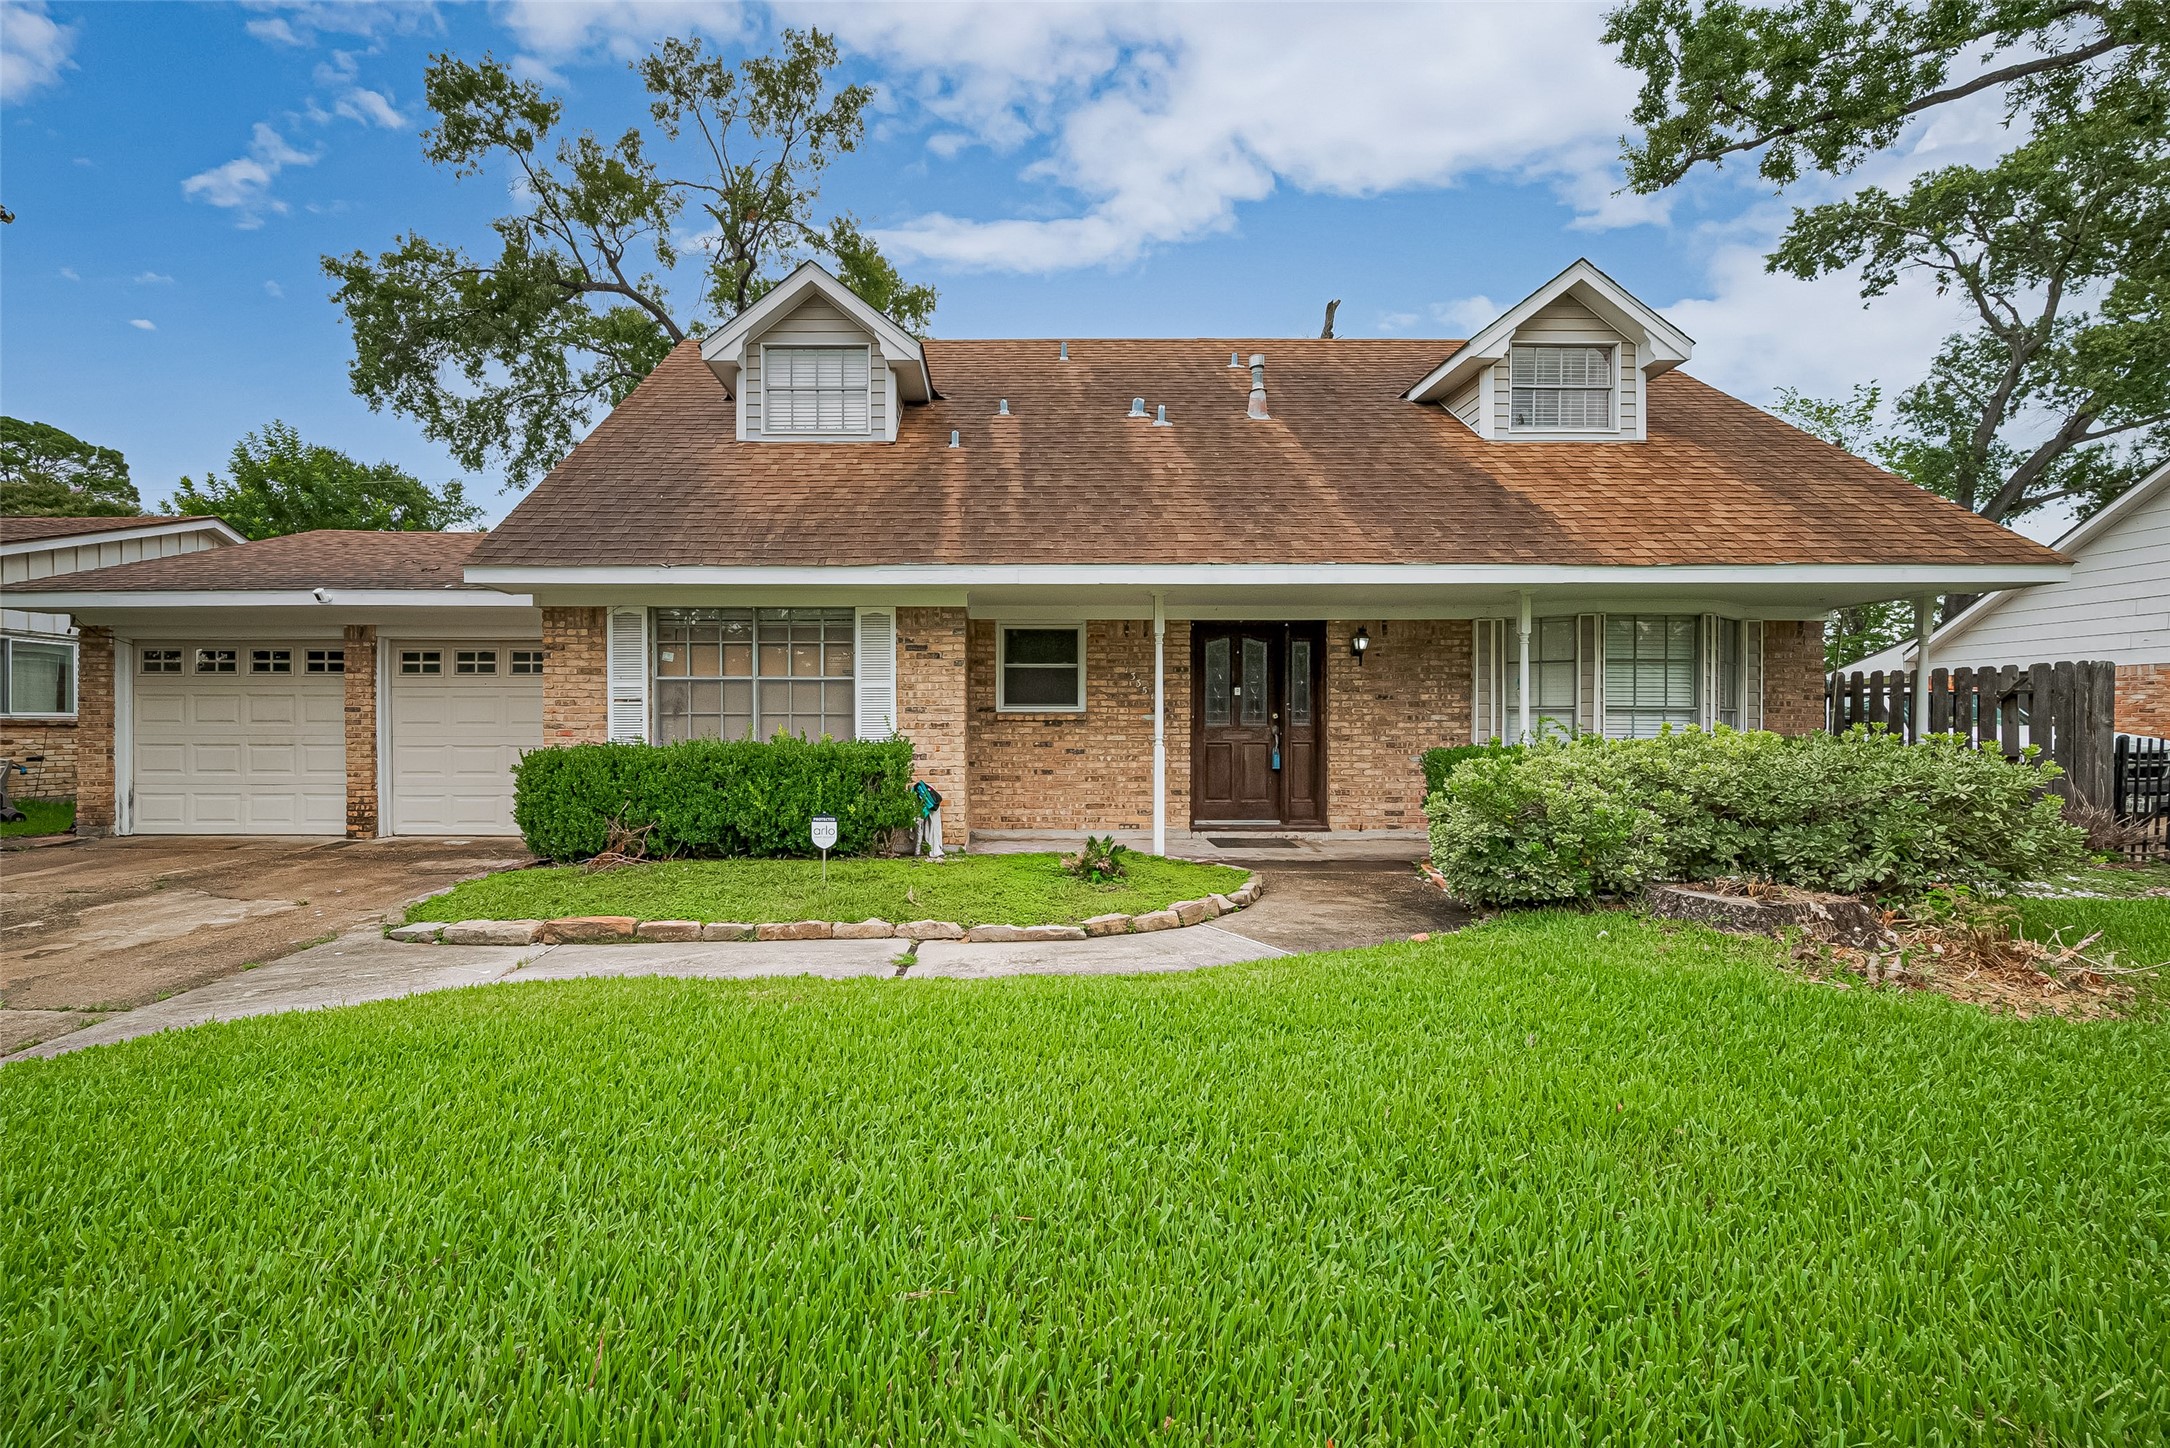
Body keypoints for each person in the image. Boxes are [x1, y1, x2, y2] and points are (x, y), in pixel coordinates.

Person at [912, 779, 946, 859]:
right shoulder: (918, 794)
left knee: (922, 826)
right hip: (929, 804)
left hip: (929, 805)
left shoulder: (924, 798)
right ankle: (931, 849)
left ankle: (920, 851)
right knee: (930, 828)